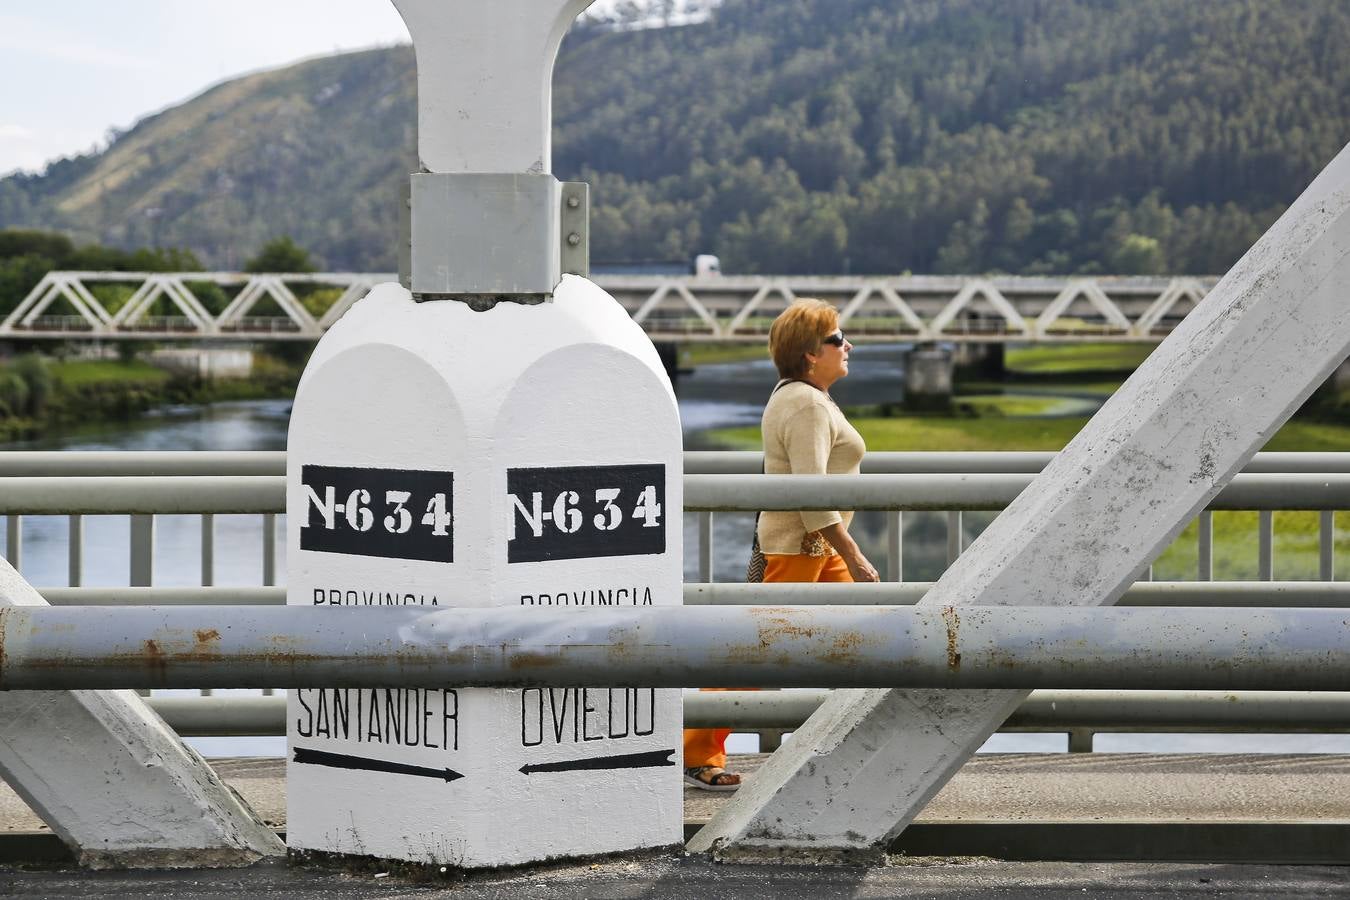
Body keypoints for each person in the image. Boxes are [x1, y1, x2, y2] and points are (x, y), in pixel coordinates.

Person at [683, 298, 879, 791]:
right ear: (812, 353)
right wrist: (854, 554)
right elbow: (810, 493)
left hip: (815, 548)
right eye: (837, 339)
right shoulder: (807, 403)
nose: (847, 345)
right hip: (802, 547)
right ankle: (697, 750)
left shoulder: (800, 396)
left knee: (868, 640)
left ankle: (863, 741)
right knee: (752, 653)